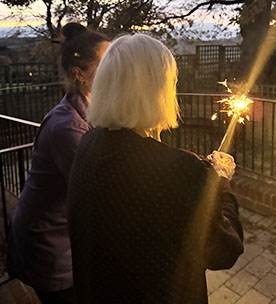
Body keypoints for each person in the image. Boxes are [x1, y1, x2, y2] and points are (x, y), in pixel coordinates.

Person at [66, 33, 244, 304]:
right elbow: (224, 251)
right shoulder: (183, 171)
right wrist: (220, 184)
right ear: (158, 91)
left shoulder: (88, 144)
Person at [7, 24, 110, 304]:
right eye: (106, 63)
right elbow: (102, 194)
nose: (116, 69)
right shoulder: (67, 127)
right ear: (79, 74)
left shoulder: (92, 110)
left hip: (63, 239)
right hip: (51, 248)